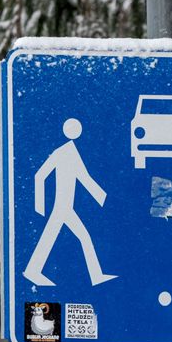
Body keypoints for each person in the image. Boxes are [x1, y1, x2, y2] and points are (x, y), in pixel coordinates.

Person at [23, 118, 117, 287]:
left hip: (66, 207)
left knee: (78, 237)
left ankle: (95, 275)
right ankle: (33, 270)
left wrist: (102, 197)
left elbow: (84, 177)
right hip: (61, 206)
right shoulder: (63, 152)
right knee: (80, 237)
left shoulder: (72, 152)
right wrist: (39, 206)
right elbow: (40, 176)